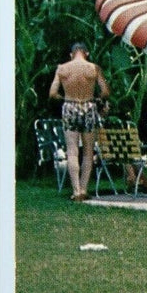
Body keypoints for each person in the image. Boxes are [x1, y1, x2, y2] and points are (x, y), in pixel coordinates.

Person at [49, 43, 109, 202]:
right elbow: (105, 91)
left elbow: (53, 93)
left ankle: (75, 191)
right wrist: (97, 99)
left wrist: (65, 99)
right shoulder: (93, 68)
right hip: (88, 106)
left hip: (70, 106)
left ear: (71, 54)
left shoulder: (62, 68)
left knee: (72, 150)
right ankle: (83, 188)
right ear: (86, 53)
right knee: (88, 151)